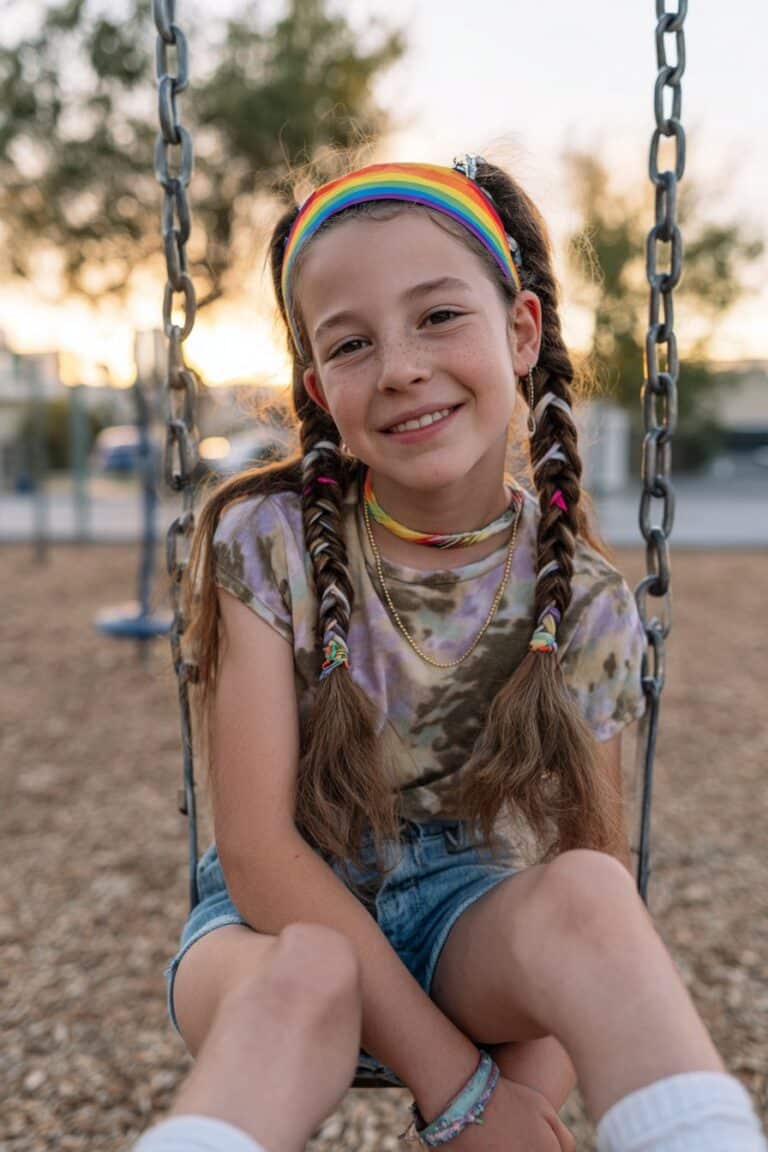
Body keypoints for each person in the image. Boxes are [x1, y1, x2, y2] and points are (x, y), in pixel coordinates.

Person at [145, 156, 767, 1152]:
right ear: (318, 386)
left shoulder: (587, 602)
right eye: (352, 343)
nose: (399, 366)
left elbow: (590, 857)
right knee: (313, 974)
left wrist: (529, 1092)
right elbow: (259, 852)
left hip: (463, 918)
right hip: (271, 930)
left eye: (438, 317)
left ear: (522, 331)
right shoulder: (265, 540)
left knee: (596, 895)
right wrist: (464, 1097)